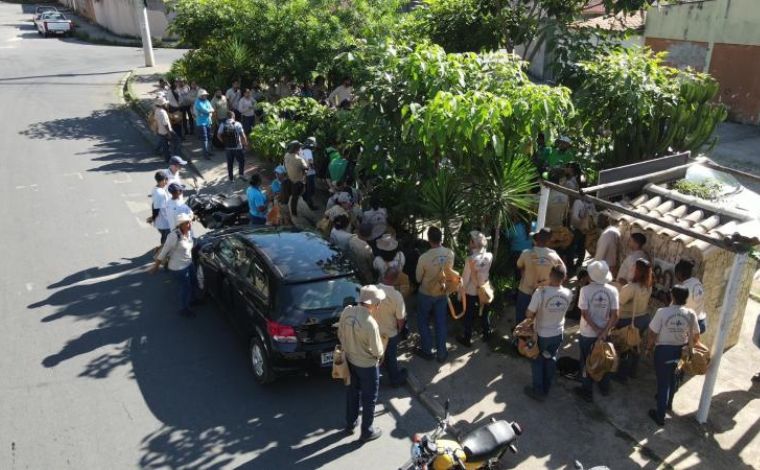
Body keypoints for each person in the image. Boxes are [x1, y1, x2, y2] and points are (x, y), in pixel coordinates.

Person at [645, 285, 700, 426]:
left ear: (673, 296)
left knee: (663, 384)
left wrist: (649, 348)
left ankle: (660, 416)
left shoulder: (662, 312)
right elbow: (696, 335)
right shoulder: (691, 313)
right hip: (680, 352)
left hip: (663, 351)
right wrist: (689, 347)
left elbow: (652, 333)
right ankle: (668, 404)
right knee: (673, 379)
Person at [337, 285, 386, 442]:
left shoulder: (347, 312)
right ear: (373, 304)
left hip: (350, 361)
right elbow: (378, 351)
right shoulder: (371, 323)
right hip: (367, 366)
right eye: (377, 301)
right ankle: (367, 431)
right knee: (369, 398)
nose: (378, 304)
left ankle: (350, 424)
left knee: (352, 393)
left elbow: (340, 334)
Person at [524, 266, 572, 401]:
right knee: (550, 359)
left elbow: (529, 313)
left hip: (542, 333)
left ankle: (538, 391)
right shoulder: (569, 293)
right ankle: (547, 386)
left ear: (550, 275)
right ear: (564, 278)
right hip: (558, 332)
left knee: (537, 361)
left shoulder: (541, 293)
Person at [575, 260, 619, 402]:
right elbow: (615, 315)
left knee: (587, 361)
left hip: (588, 333)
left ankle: (587, 391)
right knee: (604, 361)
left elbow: (584, 314)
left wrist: (596, 330)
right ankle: (604, 387)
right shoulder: (613, 290)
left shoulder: (585, 290)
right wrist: (604, 332)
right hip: (606, 334)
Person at [415, 226, 455, 363]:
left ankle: (427, 350)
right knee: (440, 322)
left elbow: (418, 279)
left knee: (423, 321)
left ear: (428, 240)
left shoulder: (424, 258)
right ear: (441, 238)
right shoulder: (450, 253)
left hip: (426, 293)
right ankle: (442, 353)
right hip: (442, 292)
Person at [149, 213, 199, 318]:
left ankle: (193, 300)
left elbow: (190, 245)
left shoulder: (188, 233)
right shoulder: (173, 236)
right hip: (178, 268)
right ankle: (183, 308)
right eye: (186, 223)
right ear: (180, 225)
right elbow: (163, 253)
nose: (189, 225)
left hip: (189, 263)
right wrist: (156, 266)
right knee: (185, 287)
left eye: (189, 222)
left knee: (194, 282)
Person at [515, 228, 565, 325]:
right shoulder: (554, 256)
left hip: (525, 291)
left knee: (521, 319)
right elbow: (563, 273)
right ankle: (534, 339)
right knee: (538, 320)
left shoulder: (526, 253)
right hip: (543, 292)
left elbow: (519, 266)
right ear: (549, 240)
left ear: (536, 239)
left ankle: (520, 339)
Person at [615, 259, 653, 382]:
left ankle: (622, 375)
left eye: (634, 267)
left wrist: (622, 286)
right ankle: (633, 371)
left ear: (637, 270)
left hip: (628, 320)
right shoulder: (649, 286)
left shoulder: (630, 287)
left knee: (625, 347)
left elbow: (620, 301)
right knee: (636, 345)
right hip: (643, 319)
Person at [457, 231, 494, 347]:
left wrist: (459, 294)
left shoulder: (470, 259)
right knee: (485, 313)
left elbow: (465, 278)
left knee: (469, 315)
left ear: (474, 244)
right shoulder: (489, 256)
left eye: (471, 241)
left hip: (472, 291)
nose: (469, 242)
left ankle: (467, 338)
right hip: (484, 289)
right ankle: (486, 334)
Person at [375, 269, 408, 387]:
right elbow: (400, 318)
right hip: (390, 333)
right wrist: (400, 329)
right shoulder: (396, 296)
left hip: (373, 332)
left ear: (383, 276)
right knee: (391, 357)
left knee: (374, 357)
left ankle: (374, 381)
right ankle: (394, 379)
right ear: (395, 280)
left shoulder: (372, 290)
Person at [674, 259, 707, 333]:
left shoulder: (684, 288)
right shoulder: (697, 282)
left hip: (692, 325)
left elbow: (674, 309)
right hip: (702, 322)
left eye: (675, 273)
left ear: (679, 273)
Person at [217, 111, 248, 182]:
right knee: (241, 161)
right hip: (238, 147)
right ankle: (241, 174)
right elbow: (243, 136)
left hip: (228, 148)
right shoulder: (238, 124)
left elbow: (218, 135)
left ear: (227, 117)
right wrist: (245, 144)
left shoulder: (222, 124)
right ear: (233, 116)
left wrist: (224, 142)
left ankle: (231, 178)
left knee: (230, 163)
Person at [569, 190, 596, 271]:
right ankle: (579, 264)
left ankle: (571, 266)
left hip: (577, 229)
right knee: (582, 247)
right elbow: (594, 214)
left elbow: (574, 217)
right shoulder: (591, 203)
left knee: (572, 246)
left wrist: (580, 223)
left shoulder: (578, 202)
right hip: (587, 229)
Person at [505, 219, 532, 286]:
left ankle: (517, 289)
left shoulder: (516, 227)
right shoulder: (534, 225)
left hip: (517, 253)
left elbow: (507, 235)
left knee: (517, 274)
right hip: (530, 253)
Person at [284, 141, 308, 216]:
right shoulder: (299, 159)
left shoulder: (286, 155)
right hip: (297, 182)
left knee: (292, 196)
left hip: (290, 178)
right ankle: (294, 213)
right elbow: (306, 168)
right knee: (296, 197)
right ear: (296, 149)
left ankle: (292, 211)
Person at [148, 171, 171, 247]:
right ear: (162, 181)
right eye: (165, 180)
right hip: (164, 222)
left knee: (167, 237)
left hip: (164, 220)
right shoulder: (160, 193)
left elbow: (154, 204)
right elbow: (156, 208)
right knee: (166, 238)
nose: (167, 181)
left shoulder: (156, 188)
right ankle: (162, 252)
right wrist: (153, 218)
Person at [594, 212, 621, 278]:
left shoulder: (607, 234)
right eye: (599, 219)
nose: (598, 221)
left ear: (607, 220)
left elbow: (600, 254)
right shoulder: (613, 230)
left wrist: (594, 267)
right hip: (613, 265)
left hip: (606, 267)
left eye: (601, 219)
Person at [153, 97, 179, 162]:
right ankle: (175, 158)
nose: (166, 104)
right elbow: (165, 124)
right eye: (165, 103)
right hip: (167, 131)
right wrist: (169, 132)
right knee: (176, 142)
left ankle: (167, 159)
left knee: (165, 146)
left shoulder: (156, 110)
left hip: (160, 131)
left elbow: (156, 121)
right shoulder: (163, 112)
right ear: (162, 104)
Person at [194, 89, 214, 158]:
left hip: (208, 122)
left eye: (206, 95)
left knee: (209, 137)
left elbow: (211, 109)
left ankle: (209, 152)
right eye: (204, 95)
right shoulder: (197, 102)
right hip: (201, 123)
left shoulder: (207, 101)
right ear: (201, 95)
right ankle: (206, 154)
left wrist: (209, 111)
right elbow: (205, 110)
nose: (205, 96)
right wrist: (209, 111)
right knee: (205, 138)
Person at [302, 137, 318, 208]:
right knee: (310, 191)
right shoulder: (308, 151)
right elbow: (310, 162)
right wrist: (315, 168)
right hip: (309, 173)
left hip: (304, 173)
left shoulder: (301, 150)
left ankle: (305, 205)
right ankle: (309, 206)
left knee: (305, 190)